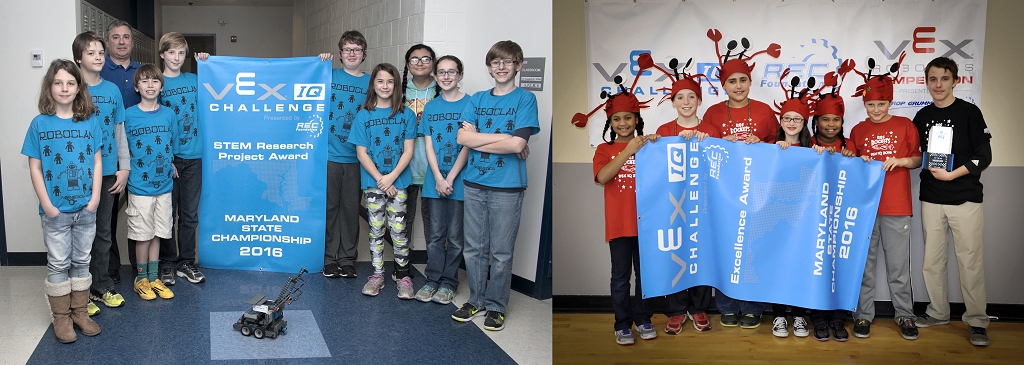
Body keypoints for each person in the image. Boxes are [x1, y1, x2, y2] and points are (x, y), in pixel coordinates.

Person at [453, 40, 540, 331]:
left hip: (507, 187)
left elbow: (520, 142)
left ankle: (496, 306)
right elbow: (463, 139)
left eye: (507, 62)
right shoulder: (477, 99)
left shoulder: (524, 99)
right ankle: (476, 300)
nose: (501, 67)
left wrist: (485, 137)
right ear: (489, 68)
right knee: (474, 249)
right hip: (474, 182)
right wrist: (506, 140)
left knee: (501, 252)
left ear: (518, 65)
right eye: (495, 63)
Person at [912, 56, 992, 347]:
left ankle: (977, 321)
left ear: (955, 81)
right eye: (933, 79)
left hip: (965, 198)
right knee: (932, 262)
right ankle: (938, 312)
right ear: (926, 82)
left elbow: (984, 156)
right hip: (931, 199)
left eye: (944, 78)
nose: (938, 85)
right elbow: (915, 155)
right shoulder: (921, 117)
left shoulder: (970, 112)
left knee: (969, 261)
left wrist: (951, 175)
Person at [704, 29, 781, 329]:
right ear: (723, 85)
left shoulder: (764, 112)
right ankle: (725, 304)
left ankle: (752, 305)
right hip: (723, 193)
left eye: (743, 80)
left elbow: (778, 152)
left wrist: (759, 144)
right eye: (731, 81)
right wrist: (720, 143)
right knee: (724, 246)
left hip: (757, 192)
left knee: (753, 247)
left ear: (751, 81)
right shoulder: (711, 113)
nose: (738, 86)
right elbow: (703, 153)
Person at [23, 59, 104, 343]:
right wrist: (46, 204)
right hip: (55, 211)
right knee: (59, 264)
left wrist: (95, 198)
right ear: (49, 87)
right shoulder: (39, 124)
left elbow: (97, 162)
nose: (64, 88)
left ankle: (80, 313)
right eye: (58, 83)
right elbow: (35, 166)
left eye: (70, 83)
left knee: (82, 261)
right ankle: (61, 319)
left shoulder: (90, 121)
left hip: (85, 209)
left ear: (78, 87)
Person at [847, 53, 921, 340]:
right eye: (870, 105)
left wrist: (900, 162)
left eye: (881, 104)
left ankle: (905, 315)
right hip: (865, 207)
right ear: (864, 105)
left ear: (890, 103)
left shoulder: (905, 125)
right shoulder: (858, 129)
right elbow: (850, 160)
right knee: (864, 266)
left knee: (899, 267)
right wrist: (858, 159)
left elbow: (918, 159)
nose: (876, 109)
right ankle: (863, 315)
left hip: (896, 205)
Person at [648, 57, 715, 333]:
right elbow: (656, 168)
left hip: (703, 204)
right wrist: (651, 144)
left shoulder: (711, 130)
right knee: (674, 253)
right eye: (680, 97)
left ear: (699, 101)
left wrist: (712, 142)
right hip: (673, 204)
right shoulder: (664, 132)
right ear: (672, 102)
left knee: (700, 252)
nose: (686, 102)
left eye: (691, 97)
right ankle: (676, 309)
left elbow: (722, 165)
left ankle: (698, 307)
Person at [590, 84, 661, 345]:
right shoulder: (604, 149)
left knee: (646, 275)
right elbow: (602, 177)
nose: (623, 123)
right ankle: (622, 324)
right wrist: (628, 150)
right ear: (610, 122)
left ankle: (643, 318)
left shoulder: (649, 146)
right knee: (620, 276)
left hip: (647, 223)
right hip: (620, 224)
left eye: (628, 117)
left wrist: (652, 145)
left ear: (637, 119)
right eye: (617, 119)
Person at [348, 63, 418, 299]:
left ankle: (403, 275)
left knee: (398, 232)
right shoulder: (363, 114)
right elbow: (361, 153)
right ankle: (377, 274)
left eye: (390, 81)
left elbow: (408, 151)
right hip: (373, 184)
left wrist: (391, 178)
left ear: (396, 85)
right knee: (376, 230)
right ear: (373, 85)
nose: (385, 86)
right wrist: (380, 180)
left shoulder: (406, 114)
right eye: (380, 81)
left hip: (398, 183)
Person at [71, 31, 129, 316]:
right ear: (78, 58)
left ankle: (102, 285)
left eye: (100, 53)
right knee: (80, 232)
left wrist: (124, 168)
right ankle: (80, 288)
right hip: (78, 174)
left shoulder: (112, 91)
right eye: (91, 53)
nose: (97, 57)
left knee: (104, 232)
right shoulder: (73, 90)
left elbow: (120, 133)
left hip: (107, 172)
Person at [413, 55, 471, 304]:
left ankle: (449, 282)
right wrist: (438, 177)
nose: (446, 76)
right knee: (435, 234)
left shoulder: (471, 105)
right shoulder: (431, 107)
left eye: (452, 72)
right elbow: (428, 147)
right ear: (435, 76)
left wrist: (451, 177)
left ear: (460, 75)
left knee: (456, 237)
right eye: (442, 72)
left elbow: (469, 145)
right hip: (434, 181)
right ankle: (432, 279)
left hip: (460, 179)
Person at [157, 32, 209, 286]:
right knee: (168, 212)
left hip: (195, 157)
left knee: (189, 215)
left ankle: (186, 261)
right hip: (171, 158)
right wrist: (166, 158)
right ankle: (167, 263)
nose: (176, 58)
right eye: (171, 52)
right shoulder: (157, 83)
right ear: (162, 55)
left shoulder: (194, 79)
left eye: (181, 53)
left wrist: (207, 63)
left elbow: (217, 86)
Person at [807, 67, 856, 341]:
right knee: (817, 267)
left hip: (843, 219)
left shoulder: (850, 147)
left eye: (836, 120)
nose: (830, 125)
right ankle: (819, 318)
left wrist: (853, 160)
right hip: (814, 220)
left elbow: (862, 178)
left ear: (841, 122)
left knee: (841, 267)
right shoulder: (807, 145)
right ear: (817, 121)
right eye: (825, 119)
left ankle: (839, 318)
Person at [318, 30, 370, 279]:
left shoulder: (371, 83)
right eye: (347, 49)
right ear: (339, 54)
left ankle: (348, 259)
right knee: (329, 208)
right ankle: (328, 258)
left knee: (351, 210)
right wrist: (319, 62)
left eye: (357, 50)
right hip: (328, 155)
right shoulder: (327, 74)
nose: (352, 54)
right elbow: (304, 78)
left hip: (358, 158)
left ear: (363, 54)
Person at [123, 64, 177, 301]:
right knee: (142, 234)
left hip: (164, 187)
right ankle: (141, 278)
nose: (150, 85)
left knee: (158, 233)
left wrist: (171, 162)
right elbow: (123, 149)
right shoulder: (128, 115)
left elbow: (170, 144)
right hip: (140, 187)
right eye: (144, 81)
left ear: (161, 86)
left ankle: (154, 278)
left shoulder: (169, 114)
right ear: (137, 87)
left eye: (155, 81)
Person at [768, 70, 816, 338]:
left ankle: (798, 315)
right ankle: (778, 316)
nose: (792, 122)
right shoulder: (770, 147)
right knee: (778, 265)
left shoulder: (814, 149)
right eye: (787, 118)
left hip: (804, 217)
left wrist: (821, 153)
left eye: (797, 119)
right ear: (781, 121)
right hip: (777, 215)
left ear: (804, 122)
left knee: (799, 264)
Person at [101, 20, 143, 284]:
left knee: (138, 209)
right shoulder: (99, 70)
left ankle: (141, 267)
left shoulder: (143, 70)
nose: (121, 41)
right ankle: (112, 268)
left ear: (132, 41)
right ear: (108, 42)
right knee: (108, 214)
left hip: (140, 150)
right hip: (109, 152)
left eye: (126, 37)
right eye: (115, 37)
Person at [401, 44, 439, 256]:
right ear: (408, 64)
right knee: (402, 224)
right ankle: (402, 268)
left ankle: (434, 271)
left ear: (433, 62)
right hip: (405, 167)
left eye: (426, 58)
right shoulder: (399, 90)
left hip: (433, 169)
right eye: (414, 59)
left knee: (434, 226)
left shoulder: (442, 88)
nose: (420, 63)